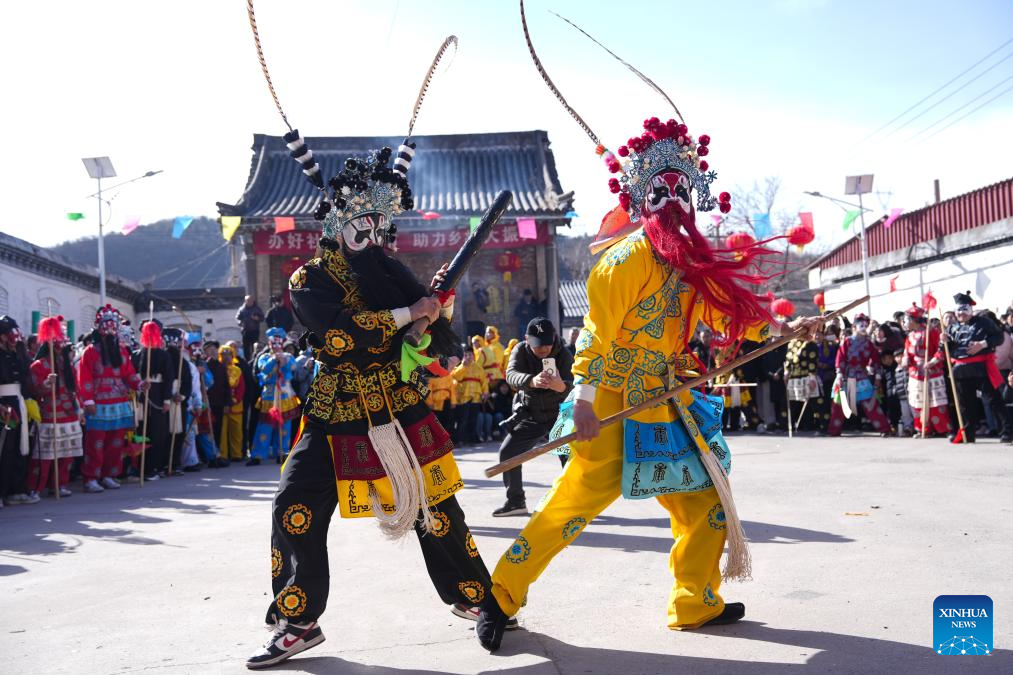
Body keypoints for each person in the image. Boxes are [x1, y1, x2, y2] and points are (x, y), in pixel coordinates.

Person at [474, 26, 823, 648]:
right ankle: (499, 596)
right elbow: (596, 336)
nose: (670, 199)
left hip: (666, 399)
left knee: (703, 500)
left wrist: (787, 323)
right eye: (658, 190)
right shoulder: (623, 260)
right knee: (570, 507)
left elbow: (723, 316)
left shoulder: (692, 264)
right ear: (639, 196)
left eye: (678, 190)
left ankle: (695, 600)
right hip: (609, 400)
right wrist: (580, 401)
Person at [241, 38, 506, 662]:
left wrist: (428, 319)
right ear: (338, 222)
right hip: (334, 408)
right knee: (295, 506)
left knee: (436, 510)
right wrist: (404, 315)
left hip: (398, 403)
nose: (374, 233)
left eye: (379, 224)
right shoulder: (308, 279)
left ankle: (477, 597)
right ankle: (298, 620)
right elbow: (340, 336)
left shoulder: (391, 269)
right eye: (364, 223)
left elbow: (433, 334)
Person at [493, 317, 573, 517]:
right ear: (527, 339)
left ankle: (573, 502)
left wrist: (562, 386)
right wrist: (531, 381)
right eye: (538, 345)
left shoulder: (563, 354)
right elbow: (510, 374)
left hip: (560, 415)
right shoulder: (520, 350)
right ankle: (516, 501)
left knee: (570, 458)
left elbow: (576, 384)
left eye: (547, 343)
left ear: (554, 337)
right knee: (508, 453)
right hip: (531, 414)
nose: (544, 349)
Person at [77, 306, 147, 493]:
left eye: (113, 327)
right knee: (96, 443)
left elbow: (129, 374)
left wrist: (140, 385)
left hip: (119, 402)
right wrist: (88, 401)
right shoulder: (90, 352)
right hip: (98, 404)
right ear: (99, 329)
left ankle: (109, 475)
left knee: (116, 443)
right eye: (106, 327)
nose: (109, 331)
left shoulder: (122, 352)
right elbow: (84, 377)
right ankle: (91, 477)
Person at [941, 292, 1008, 443]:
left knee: (993, 400)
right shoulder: (951, 328)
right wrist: (943, 341)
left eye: (964, 309)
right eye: (958, 310)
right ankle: (968, 432)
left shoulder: (984, 322)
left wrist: (982, 344)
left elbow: (999, 337)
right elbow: (945, 350)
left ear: (970, 309)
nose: (961, 313)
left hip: (981, 367)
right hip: (960, 370)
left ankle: (1008, 430)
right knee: (965, 404)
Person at [27, 330, 81, 498]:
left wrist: (80, 409)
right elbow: (33, 390)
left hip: (69, 414)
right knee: (44, 456)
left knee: (66, 453)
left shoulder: (69, 367)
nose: (60, 349)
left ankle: (60, 484)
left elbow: (75, 391)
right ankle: (35, 488)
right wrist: (46, 384)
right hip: (49, 415)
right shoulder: (38, 366)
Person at [827, 313, 891, 437]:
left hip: (862, 376)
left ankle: (884, 429)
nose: (863, 327)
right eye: (860, 325)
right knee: (839, 405)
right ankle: (834, 430)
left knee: (870, 403)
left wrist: (877, 376)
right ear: (854, 327)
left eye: (865, 325)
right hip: (846, 376)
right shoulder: (846, 341)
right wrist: (839, 374)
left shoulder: (869, 343)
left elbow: (876, 361)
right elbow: (840, 358)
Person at [131, 319, 176, 480]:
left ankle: (154, 466)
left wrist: (166, 400)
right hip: (142, 397)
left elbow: (169, 378)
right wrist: (139, 384)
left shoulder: (164, 355)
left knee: (158, 434)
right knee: (141, 432)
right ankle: (140, 466)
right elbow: (131, 375)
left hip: (157, 396)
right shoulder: (136, 355)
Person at [249, 328, 300, 465]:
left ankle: (282, 453)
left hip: (284, 395)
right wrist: (273, 360)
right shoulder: (264, 357)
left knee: (285, 427)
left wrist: (284, 362)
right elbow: (264, 369)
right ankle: (257, 455)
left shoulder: (288, 357)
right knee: (264, 426)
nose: (276, 346)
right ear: (270, 344)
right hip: (269, 396)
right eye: (273, 343)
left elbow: (293, 368)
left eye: (279, 343)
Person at [0, 316, 37, 506]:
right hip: (3, 405)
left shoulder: (18, 354)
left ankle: (16, 490)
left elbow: (27, 377)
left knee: (19, 447)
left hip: (18, 403)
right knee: (3, 449)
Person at [901, 304, 950, 437]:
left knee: (935, 401)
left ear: (912, 320)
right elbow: (907, 352)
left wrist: (932, 362)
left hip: (932, 371)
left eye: (906, 319)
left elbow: (941, 350)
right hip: (915, 373)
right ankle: (922, 428)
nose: (904, 322)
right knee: (918, 402)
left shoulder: (931, 332)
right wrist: (905, 360)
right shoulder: (909, 336)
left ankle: (942, 429)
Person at [783, 335, 822, 432]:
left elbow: (812, 361)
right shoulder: (791, 343)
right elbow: (788, 359)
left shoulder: (811, 344)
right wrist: (786, 371)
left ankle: (808, 425)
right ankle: (792, 425)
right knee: (793, 402)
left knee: (808, 402)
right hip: (793, 377)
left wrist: (812, 377)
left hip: (806, 376)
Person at [217, 344, 246, 463]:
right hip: (222, 404)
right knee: (222, 431)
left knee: (236, 431)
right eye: (224, 355)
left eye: (229, 354)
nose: (226, 357)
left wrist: (234, 400)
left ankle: (236, 454)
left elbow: (241, 388)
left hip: (236, 404)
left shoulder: (237, 370)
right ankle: (223, 454)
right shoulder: (218, 369)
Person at [452, 349, 487, 445]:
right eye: (466, 355)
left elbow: (484, 381)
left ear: (473, 355)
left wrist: (485, 392)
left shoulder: (479, 368)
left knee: (473, 419)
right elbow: (455, 377)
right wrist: (463, 366)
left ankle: (472, 439)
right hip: (463, 396)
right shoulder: (459, 367)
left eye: (470, 354)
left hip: (476, 396)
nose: (468, 357)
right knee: (462, 419)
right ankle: (460, 440)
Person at [202, 341, 229, 462]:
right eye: (209, 349)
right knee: (207, 429)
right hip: (207, 402)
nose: (212, 351)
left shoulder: (221, 366)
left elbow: (226, 386)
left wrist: (227, 403)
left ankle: (217, 453)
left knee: (218, 428)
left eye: (214, 348)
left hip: (219, 402)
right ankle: (209, 455)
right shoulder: (204, 365)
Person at [236, 295, 265, 361]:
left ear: (253, 301)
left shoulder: (257, 309)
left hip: (254, 331)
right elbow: (237, 318)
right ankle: (247, 361)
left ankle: (255, 359)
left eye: (250, 301)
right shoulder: (242, 309)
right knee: (246, 347)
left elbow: (262, 318)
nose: (249, 302)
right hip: (245, 330)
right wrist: (240, 323)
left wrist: (257, 318)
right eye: (247, 301)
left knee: (254, 346)